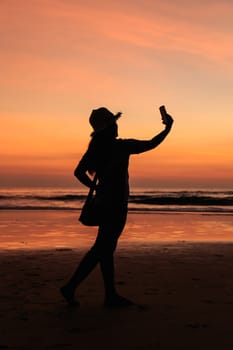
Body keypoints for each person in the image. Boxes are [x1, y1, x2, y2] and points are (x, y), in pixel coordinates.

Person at [61, 106, 174, 308]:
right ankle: (72, 287)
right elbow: (151, 144)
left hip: (104, 203)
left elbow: (78, 172)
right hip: (116, 205)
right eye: (113, 122)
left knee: (105, 248)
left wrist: (96, 188)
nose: (116, 125)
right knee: (102, 248)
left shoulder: (95, 148)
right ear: (108, 126)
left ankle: (110, 295)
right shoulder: (120, 146)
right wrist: (168, 128)